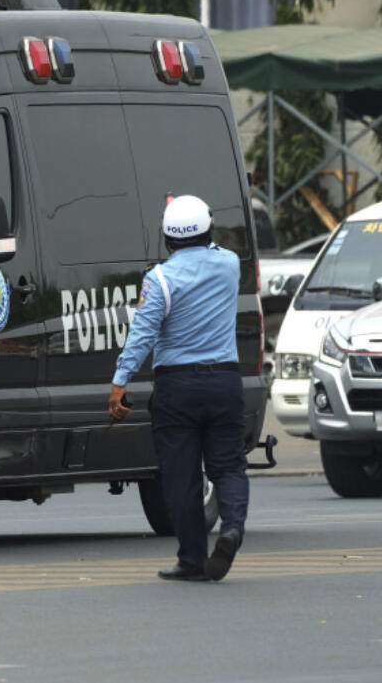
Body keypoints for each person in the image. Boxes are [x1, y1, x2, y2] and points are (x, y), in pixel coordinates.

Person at [108, 194, 248, 582]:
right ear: (210, 230)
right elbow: (213, 245)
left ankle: (191, 560)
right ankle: (233, 527)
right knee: (229, 466)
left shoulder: (160, 279)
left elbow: (142, 336)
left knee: (182, 477)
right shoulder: (230, 265)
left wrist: (120, 383)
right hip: (225, 381)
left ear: (167, 239)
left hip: (178, 389)